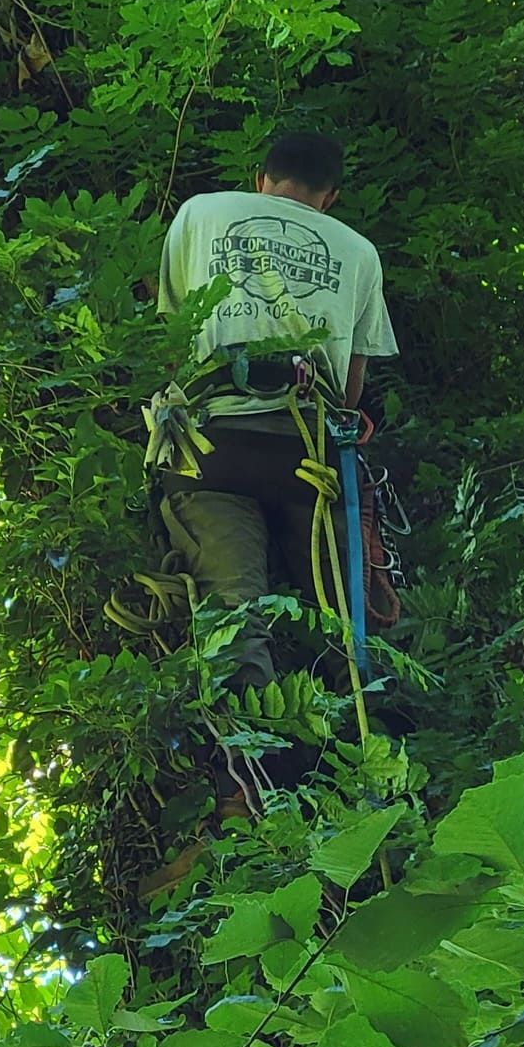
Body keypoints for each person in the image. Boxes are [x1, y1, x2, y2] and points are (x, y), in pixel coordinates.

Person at [153, 132, 399, 694]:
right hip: (307, 451)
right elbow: (351, 387)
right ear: (330, 197)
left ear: (261, 179)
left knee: (233, 615)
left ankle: (247, 734)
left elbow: (172, 340)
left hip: (211, 446)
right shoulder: (360, 253)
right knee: (346, 625)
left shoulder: (199, 214)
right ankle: (366, 717)